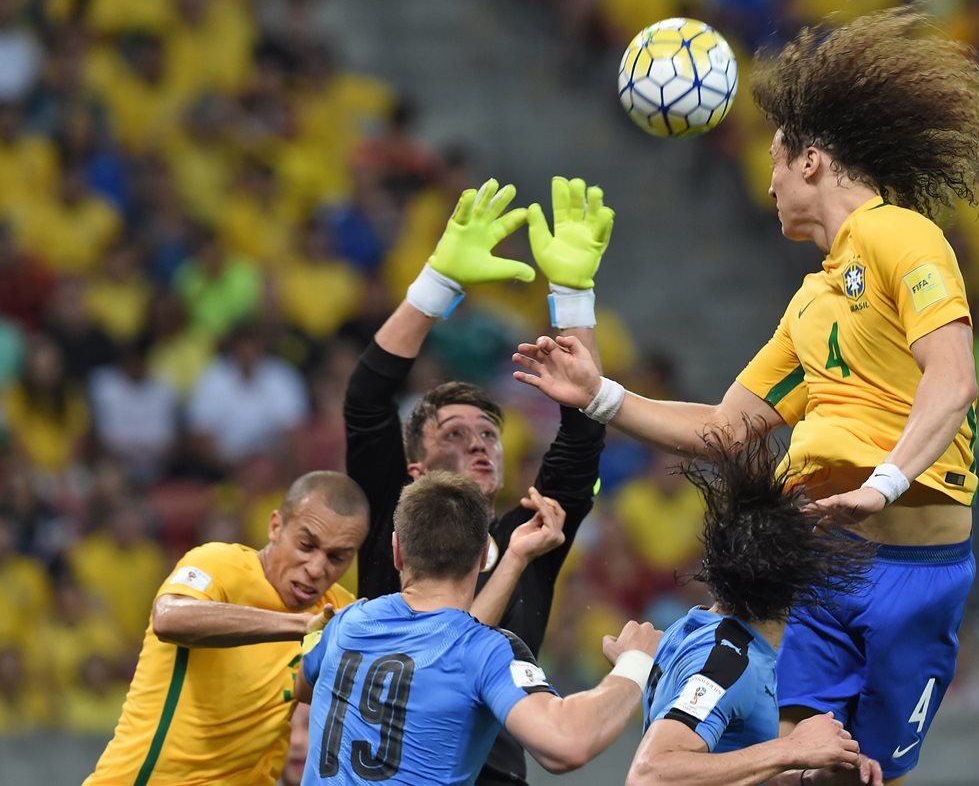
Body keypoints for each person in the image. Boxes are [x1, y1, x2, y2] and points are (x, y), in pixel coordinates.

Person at [512, 8, 979, 783]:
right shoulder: (809, 302)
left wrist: (882, 485)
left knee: (868, 773)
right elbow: (725, 426)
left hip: (918, 569)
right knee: (797, 768)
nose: (768, 180)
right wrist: (601, 393)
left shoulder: (900, 236)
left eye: (776, 162)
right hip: (824, 567)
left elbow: (954, 380)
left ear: (812, 160)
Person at [344, 175, 613, 784]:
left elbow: (582, 434)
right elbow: (366, 400)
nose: (479, 443)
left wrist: (572, 296)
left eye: (489, 434)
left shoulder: (533, 534)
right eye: (455, 435)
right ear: (415, 470)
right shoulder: (395, 519)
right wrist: (437, 285)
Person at [297, 471, 661, 783]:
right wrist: (636, 664)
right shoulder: (489, 651)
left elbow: (305, 684)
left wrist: (516, 556)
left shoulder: (346, 624)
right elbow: (565, 745)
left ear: (397, 550)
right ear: (486, 552)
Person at [627, 426, 882, 786]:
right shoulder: (727, 662)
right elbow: (651, 774)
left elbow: (725, 761)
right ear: (799, 578)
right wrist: (792, 748)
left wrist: (811, 774)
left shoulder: (699, 630)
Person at [85, 471, 370, 785]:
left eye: (337, 558)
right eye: (306, 546)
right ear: (276, 526)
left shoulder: (340, 612)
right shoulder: (219, 566)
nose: (317, 569)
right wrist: (301, 626)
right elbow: (168, 617)